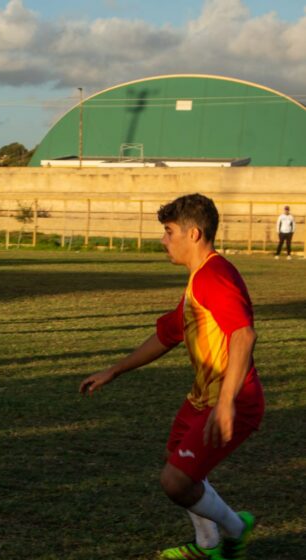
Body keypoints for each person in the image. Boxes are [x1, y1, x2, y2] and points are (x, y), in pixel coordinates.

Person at [79, 194, 263, 560]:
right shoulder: (199, 279)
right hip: (202, 397)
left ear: (193, 234)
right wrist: (114, 370)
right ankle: (209, 547)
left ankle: (236, 531)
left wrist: (226, 403)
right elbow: (168, 334)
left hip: (233, 398)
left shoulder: (214, 275)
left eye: (168, 231)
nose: (163, 240)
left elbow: (244, 334)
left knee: (175, 481)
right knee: (177, 462)